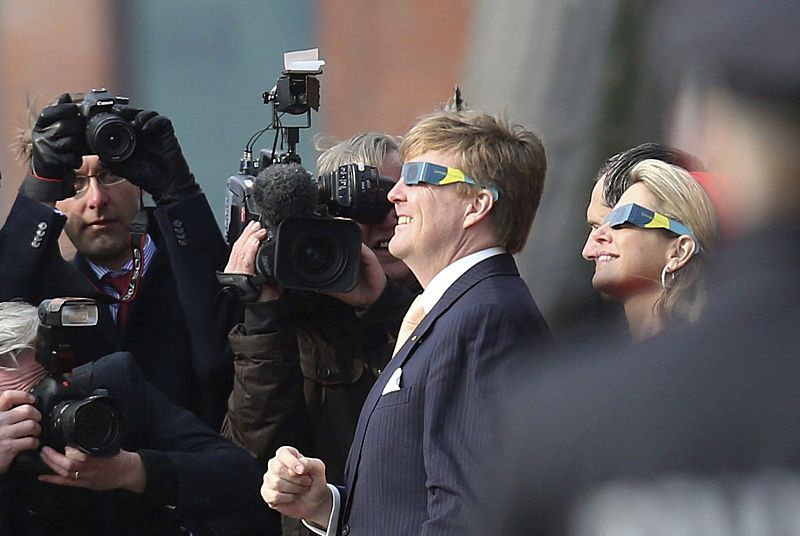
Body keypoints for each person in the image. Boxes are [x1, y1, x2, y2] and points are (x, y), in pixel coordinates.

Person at [486, 0, 800, 533]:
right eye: (591, 227)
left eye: (624, 218)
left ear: (702, 134)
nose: (595, 243)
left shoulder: (561, 417)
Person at [261, 110, 551, 535]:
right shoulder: (458, 312)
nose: (394, 196)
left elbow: (468, 515)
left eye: (418, 177)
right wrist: (327, 506)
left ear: (477, 204)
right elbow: (412, 502)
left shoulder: (485, 319)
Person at [221, 132, 419, 535]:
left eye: (400, 199)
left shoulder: (439, 298)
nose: (388, 219)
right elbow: (249, 455)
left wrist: (384, 304)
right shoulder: (296, 315)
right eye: (368, 205)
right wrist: (263, 316)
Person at [0, 93, 235, 428]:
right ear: (56, 202)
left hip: (197, 467)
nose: (97, 198)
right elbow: (4, 308)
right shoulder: (42, 289)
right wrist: (38, 190)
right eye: (75, 184)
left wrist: (179, 192)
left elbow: (223, 350)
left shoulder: (191, 267)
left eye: (110, 174)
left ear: (139, 180)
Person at [0, 300, 277, 536]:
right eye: (13, 409)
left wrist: (134, 471)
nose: (35, 415)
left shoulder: (110, 389)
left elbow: (243, 476)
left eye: (42, 394)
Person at [582, 158, 719, 340]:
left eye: (624, 219)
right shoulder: (605, 357)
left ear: (679, 251)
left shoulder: (698, 355)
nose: (599, 236)